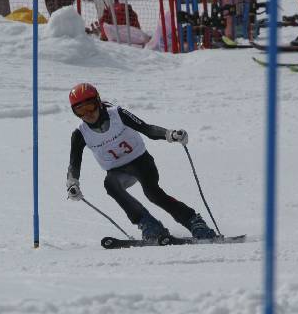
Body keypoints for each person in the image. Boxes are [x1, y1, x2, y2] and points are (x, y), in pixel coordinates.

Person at [65, 83, 218, 241]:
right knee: (110, 185)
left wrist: (170, 134)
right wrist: (72, 183)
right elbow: (74, 163)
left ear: (98, 102)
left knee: (153, 193)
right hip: (117, 171)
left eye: (90, 107)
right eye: (80, 111)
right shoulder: (80, 134)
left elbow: (147, 129)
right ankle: (149, 224)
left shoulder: (118, 114)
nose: (87, 114)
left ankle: (194, 221)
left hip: (141, 162)